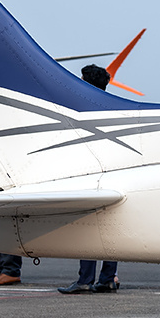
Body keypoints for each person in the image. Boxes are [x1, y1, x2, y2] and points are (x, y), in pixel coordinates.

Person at [59, 64, 118, 294]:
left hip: (92, 174)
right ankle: (108, 278)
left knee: (88, 229)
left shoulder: (84, 109)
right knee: (110, 229)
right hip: (114, 174)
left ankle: (85, 279)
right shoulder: (111, 107)